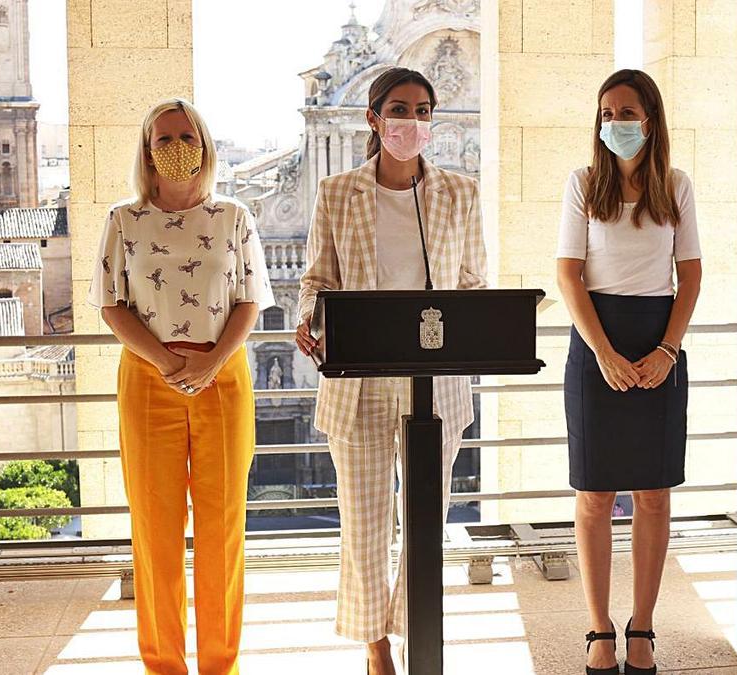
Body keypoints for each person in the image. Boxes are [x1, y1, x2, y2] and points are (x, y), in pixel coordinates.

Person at [294, 67, 487, 675]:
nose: (413, 121)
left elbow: (473, 284)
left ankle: (415, 629)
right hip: (361, 382)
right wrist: (310, 320)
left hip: (436, 388)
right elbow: (318, 281)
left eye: (424, 110)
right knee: (365, 524)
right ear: (374, 119)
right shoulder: (336, 192)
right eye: (400, 109)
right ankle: (375, 645)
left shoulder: (461, 193)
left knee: (427, 521)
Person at [87, 98, 275, 675]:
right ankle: (163, 666)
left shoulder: (234, 217)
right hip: (148, 379)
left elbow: (251, 300)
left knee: (223, 530)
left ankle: (222, 666)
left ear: (205, 145)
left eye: (185, 137)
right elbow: (110, 304)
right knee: (156, 529)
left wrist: (213, 360)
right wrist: (166, 360)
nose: (175, 149)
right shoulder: (125, 220)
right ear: (147, 150)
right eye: (163, 140)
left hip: (224, 379)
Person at [556, 69, 702, 675]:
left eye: (627, 112)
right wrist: (604, 353)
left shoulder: (677, 186)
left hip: (658, 340)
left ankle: (642, 625)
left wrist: (666, 352)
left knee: (654, 495)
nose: (616, 122)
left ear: (651, 119)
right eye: (607, 112)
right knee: (593, 495)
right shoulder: (584, 184)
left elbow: (690, 275)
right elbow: (568, 274)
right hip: (597, 341)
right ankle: (599, 628)